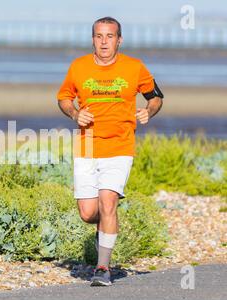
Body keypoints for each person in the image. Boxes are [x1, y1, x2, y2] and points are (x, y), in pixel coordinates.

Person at [57, 17, 163, 286]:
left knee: (107, 202)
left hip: (120, 144)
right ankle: (103, 225)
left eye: (110, 36)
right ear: (93, 39)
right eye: (99, 36)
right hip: (87, 145)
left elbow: (156, 96)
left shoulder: (134, 67)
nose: (104, 41)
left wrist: (148, 111)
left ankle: (102, 268)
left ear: (119, 39)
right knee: (88, 213)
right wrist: (74, 113)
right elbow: (63, 98)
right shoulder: (78, 66)